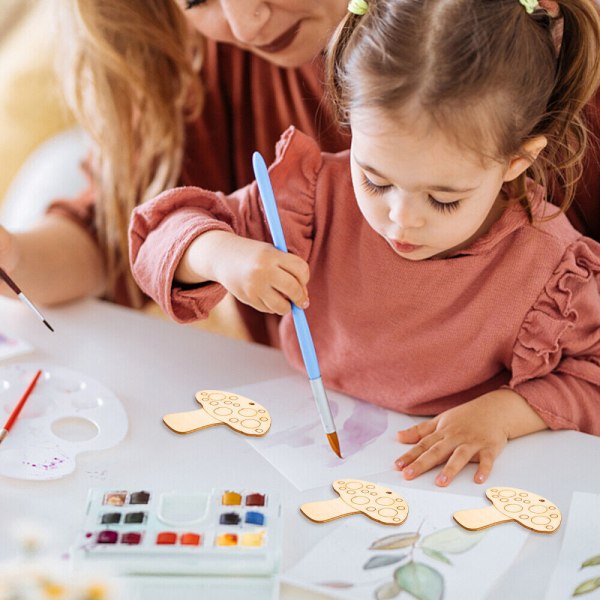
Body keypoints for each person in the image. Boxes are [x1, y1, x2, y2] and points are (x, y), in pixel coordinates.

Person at [129, 0, 600, 486]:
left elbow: (592, 377)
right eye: (375, 181)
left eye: (442, 199)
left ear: (516, 162)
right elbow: (154, 238)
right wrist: (221, 255)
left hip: (454, 481)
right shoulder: (313, 199)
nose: (401, 220)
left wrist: (504, 414)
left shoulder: (550, 267)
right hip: (296, 444)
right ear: (350, 121)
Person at [0, 0, 599, 327]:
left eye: (444, 197)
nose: (244, 22)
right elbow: (118, 234)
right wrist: (16, 256)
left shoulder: (534, 65)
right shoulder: (212, 67)